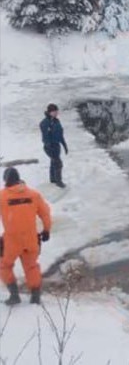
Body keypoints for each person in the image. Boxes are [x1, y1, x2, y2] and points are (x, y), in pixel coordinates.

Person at [0, 168, 51, 305]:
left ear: (6, 180)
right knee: (31, 267)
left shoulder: (2, 196)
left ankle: (14, 294)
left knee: (4, 265)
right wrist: (46, 230)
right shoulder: (34, 195)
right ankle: (35, 296)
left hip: (11, 241)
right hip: (31, 239)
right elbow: (45, 213)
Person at [40, 103, 69, 188]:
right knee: (58, 163)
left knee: (53, 162)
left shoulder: (56, 121)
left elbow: (60, 134)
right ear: (49, 112)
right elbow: (45, 136)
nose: (56, 113)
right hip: (50, 146)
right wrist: (49, 146)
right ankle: (59, 182)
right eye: (54, 111)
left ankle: (53, 179)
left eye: (57, 111)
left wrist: (64, 145)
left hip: (57, 145)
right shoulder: (45, 123)